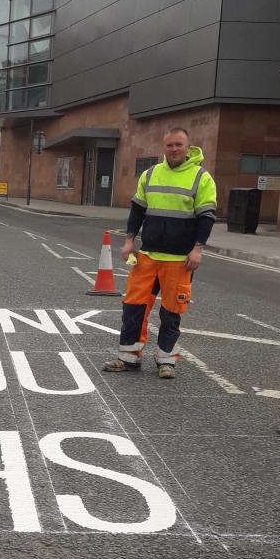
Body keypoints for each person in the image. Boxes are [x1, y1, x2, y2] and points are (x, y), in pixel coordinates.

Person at [102, 128, 216, 379]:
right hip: (148, 256)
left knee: (172, 312)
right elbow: (137, 210)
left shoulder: (201, 177)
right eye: (170, 145)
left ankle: (166, 361)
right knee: (133, 306)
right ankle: (128, 358)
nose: (174, 149)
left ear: (188, 147)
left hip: (179, 260)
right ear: (164, 147)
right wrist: (129, 241)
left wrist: (198, 249)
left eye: (179, 145)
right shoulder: (150, 174)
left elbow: (206, 217)